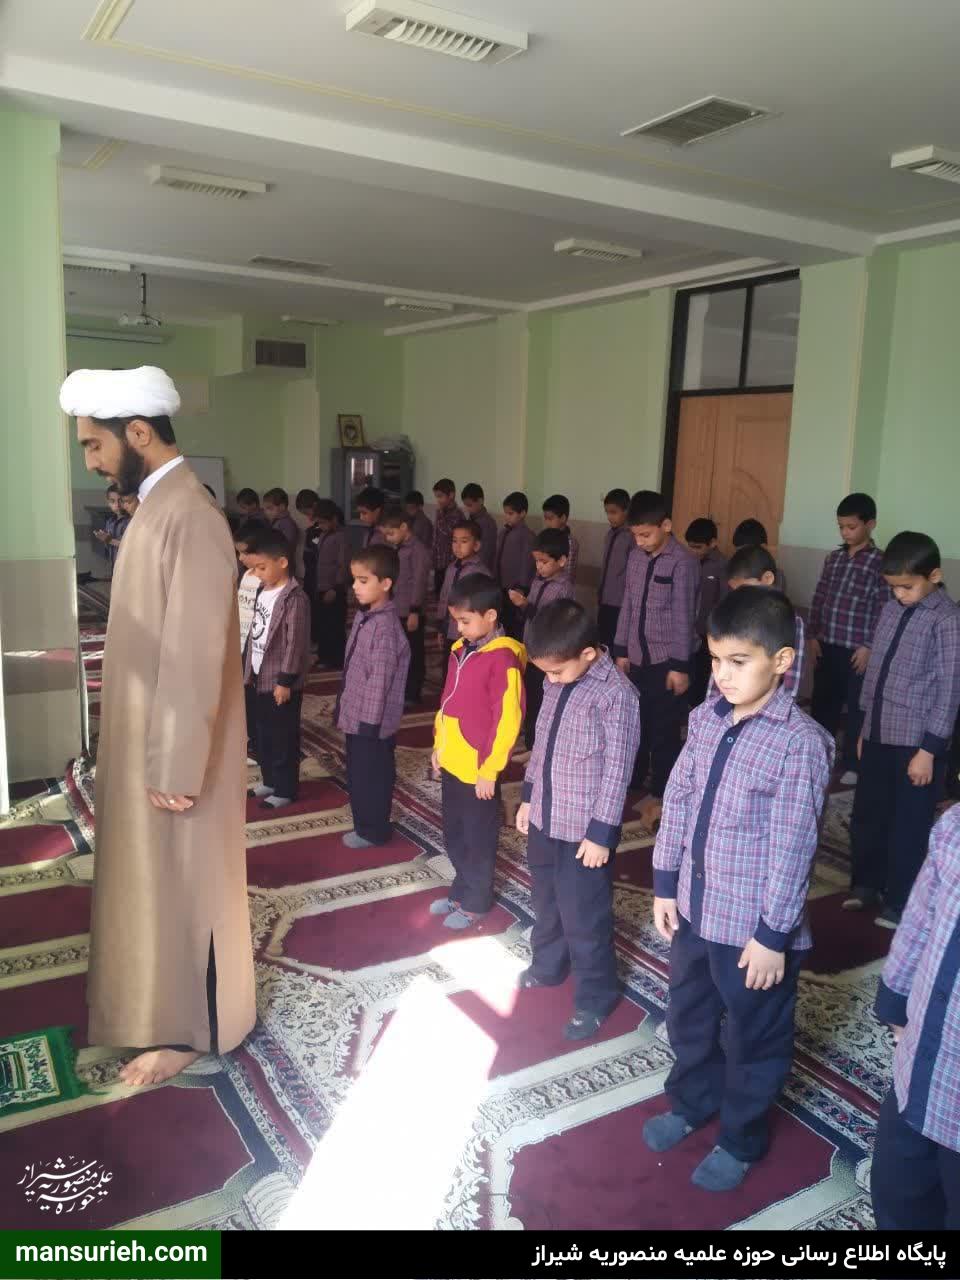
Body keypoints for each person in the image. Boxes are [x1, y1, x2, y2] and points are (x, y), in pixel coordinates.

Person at [61, 364, 255, 1087]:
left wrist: (175, 762)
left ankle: (196, 1032)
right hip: (150, 741)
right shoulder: (157, 506)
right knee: (157, 884)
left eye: (94, 444)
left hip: (179, 755)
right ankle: (155, 1011)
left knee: (190, 888)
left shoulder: (191, 515)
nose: (91, 461)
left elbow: (194, 650)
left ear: (138, 432)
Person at [646, 587, 833, 1191]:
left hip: (753, 930)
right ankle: (692, 1100)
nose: (723, 675)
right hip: (696, 910)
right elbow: (678, 800)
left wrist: (773, 935)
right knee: (690, 1014)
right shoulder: (706, 719)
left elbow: (794, 847)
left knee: (756, 1035)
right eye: (715, 660)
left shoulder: (800, 743)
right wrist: (666, 884)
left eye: (739, 661)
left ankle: (741, 1137)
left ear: (781, 661)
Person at [515, 599, 641, 1040]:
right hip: (546, 815)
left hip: (585, 831)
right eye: (545, 672)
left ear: (588, 653)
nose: (549, 679)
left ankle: (595, 996)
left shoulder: (617, 696)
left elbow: (618, 770)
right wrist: (528, 798)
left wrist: (602, 833)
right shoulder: (556, 678)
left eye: (556, 671)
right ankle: (548, 965)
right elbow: (542, 743)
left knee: (584, 916)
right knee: (546, 901)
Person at [846, 531, 960, 929]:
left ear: (934, 576)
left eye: (907, 587)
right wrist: (864, 728)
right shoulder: (891, 609)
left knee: (908, 823)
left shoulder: (946, 619)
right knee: (868, 813)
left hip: (916, 743)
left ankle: (900, 899)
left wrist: (929, 749)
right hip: (878, 730)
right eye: (893, 587)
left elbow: (950, 689)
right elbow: (875, 671)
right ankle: (865, 884)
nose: (899, 594)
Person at [871, 804, 960, 1230]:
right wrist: (896, 1003)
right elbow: (919, 922)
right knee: (897, 1194)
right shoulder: (954, 826)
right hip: (922, 1069)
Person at [430, 574, 525, 930]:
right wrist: (438, 746)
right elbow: (446, 702)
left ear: (490, 616)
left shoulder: (504, 659)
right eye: (456, 620)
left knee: (478, 837)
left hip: (479, 769)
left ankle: (477, 900)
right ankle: (461, 889)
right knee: (454, 832)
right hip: (453, 760)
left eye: (465, 621)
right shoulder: (459, 650)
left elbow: (507, 720)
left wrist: (490, 769)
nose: (459, 628)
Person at [614, 490, 698, 829]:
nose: (640, 542)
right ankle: (634, 778)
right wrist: (621, 650)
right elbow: (628, 605)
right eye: (635, 535)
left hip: (666, 660)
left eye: (646, 535)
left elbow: (684, 616)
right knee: (635, 722)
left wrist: (680, 666)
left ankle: (662, 789)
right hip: (636, 656)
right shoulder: (636, 557)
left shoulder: (683, 562)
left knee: (664, 728)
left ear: (666, 526)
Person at [809, 493, 889, 785]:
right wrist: (813, 635)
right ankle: (819, 755)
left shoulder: (881, 562)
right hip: (827, 644)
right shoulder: (834, 558)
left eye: (851, 527)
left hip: (858, 651)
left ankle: (853, 763)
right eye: (841, 526)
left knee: (858, 708)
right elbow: (820, 597)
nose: (845, 532)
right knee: (823, 704)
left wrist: (869, 646)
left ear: (870, 524)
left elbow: (883, 608)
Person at [335, 545, 410, 848]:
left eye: (363, 580)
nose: (355, 586)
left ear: (386, 583)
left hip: (373, 724)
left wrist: (368, 724)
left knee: (373, 776)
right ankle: (363, 824)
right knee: (358, 774)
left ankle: (374, 831)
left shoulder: (385, 629)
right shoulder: (366, 617)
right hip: (358, 717)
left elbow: (379, 682)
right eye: (354, 579)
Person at [243, 529, 311, 809]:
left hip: (281, 682)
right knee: (262, 734)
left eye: (262, 567)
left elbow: (295, 644)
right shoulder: (262, 591)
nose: (256, 574)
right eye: (254, 568)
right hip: (258, 677)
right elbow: (253, 633)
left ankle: (285, 788)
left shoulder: (295, 599)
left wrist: (285, 681)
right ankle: (269, 779)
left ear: (282, 562)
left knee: (283, 737)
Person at [510, 528, 575, 751]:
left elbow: (550, 621)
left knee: (542, 701)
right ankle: (530, 742)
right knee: (529, 696)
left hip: (547, 653)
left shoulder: (563, 588)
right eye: (537, 561)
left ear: (562, 561)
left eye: (544, 562)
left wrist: (525, 605)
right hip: (531, 649)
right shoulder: (538, 581)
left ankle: (535, 748)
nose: (539, 566)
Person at [723, 545, 804, 699]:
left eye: (744, 590)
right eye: (734, 591)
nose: (739, 597)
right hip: (732, 701)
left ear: (767, 579)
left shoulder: (792, 621)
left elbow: (792, 677)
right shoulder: (733, 617)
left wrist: (781, 710)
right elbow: (721, 668)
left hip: (770, 706)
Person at [383, 507, 431, 705]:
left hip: (411, 611)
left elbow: (419, 582)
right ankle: (400, 689)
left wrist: (414, 611)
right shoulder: (400, 548)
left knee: (413, 653)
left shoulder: (418, 550)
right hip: (397, 608)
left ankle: (412, 692)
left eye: (391, 533)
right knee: (399, 652)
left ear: (404, 527)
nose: (388, 538)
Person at [685, 517, 728, 708]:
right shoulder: (686, 561)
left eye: (698, 547)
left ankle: (700, 710)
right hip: (688, 630)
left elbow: (725, 600)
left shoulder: (722, 565)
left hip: (708, 633)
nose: (694, 551)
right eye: (691, 546)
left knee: (704, 675)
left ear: (712, 543)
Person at [436, 518, 492, 661]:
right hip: (449, 629)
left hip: (468, 634)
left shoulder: (480, 572)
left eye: (464, 541)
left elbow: (482, 607)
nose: (458, 546)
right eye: (454, 541)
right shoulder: (451, 568)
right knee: (449, 664)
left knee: (465, 664)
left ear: (476, 545)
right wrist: (441, 626)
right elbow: (444, 598)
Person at [304, 498, 348, 670]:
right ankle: (324, 655)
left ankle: (336, 659)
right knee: (323, 623)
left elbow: (343, 565)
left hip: (334, 589)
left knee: (334, 625)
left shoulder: (341, 537)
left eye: (323, 522)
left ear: (334, 519)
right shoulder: (324, 535)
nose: (320, 526)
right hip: (321, 587)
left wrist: (336, 588)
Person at [496, 491, 537, 643]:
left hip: (516, 589)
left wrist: (521, 587)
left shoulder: (527, 536)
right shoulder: (503, 532)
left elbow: (527, 564)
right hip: (501, 586)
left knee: (514, 625)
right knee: (502, 623)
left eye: (511, 513)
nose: (507, 517)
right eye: (505, 513)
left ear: (523, 513)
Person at [597, 488, 632, 653]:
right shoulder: (609, 535)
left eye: (614, 512)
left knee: (616, 644)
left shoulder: (632, 537)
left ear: (626, 511)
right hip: (605, 597)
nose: (610, 517)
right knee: (603, 642)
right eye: (607, 512)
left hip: (620, 601)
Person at [432, 478, 463, 596]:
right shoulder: (440, 512)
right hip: (438, 562)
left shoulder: (457, 515)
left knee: (448, 595)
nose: (438, 500)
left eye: (440, 496)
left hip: (451, 563)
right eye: (436, 497)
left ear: (451, 495)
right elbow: (436, 536)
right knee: (438, 594)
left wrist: (440, 514)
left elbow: (446, 532)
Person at [460, 483, 498, 571]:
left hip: (479, 570)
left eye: (470, 505)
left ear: (480, 501)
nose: (467, 509)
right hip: (468, 567)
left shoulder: (488, 523)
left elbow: (485, 553)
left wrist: (474, 570)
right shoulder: (471, 519)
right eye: (465, 505)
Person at [542, 494, 579, 582]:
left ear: (563, 518)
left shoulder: (570, 543)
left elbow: (567, 575)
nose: (547, 523)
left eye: (550, 519)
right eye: (545, 518)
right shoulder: (546, 537)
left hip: (560, 588)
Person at [94, 483, 127, 571]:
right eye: (113, 501)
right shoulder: (110, 522)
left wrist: (110, 540)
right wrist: (104, 539)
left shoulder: (131, 521)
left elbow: (132, 546)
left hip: (128, 567)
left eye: (121, 500)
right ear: (108, 503)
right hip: (115, 567)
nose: (117, 505)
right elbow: (109, 546)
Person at [263, 488, 300, 562]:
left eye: (270, 508)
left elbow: (285, 547)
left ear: (282, 507)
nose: (266, 512)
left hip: (284, 563)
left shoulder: (287, 524)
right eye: (265, 509)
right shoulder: (276, 521)